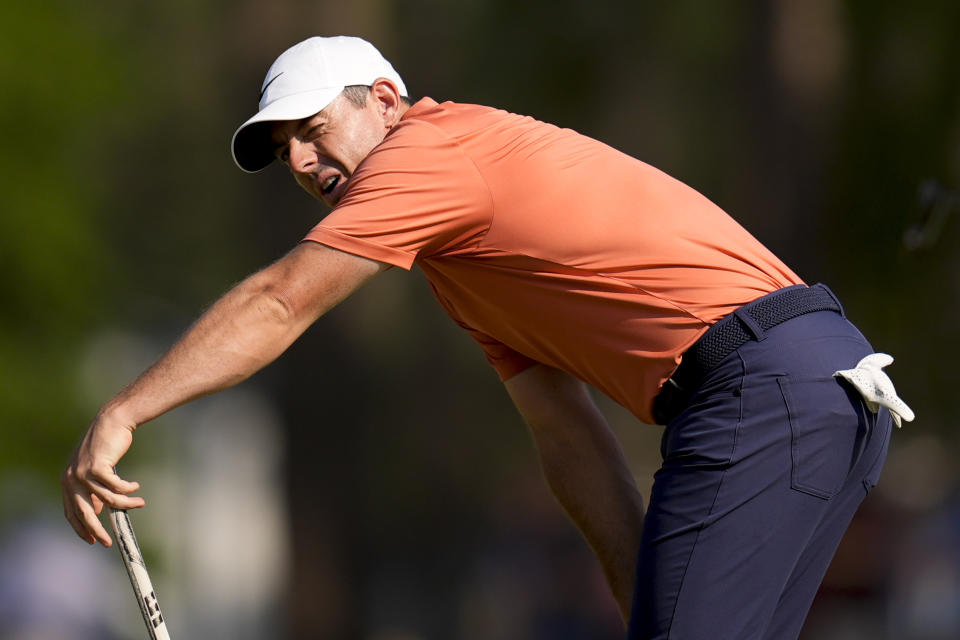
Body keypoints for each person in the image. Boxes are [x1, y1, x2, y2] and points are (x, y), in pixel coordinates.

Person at [62, 36, 913, 639]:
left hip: (766, 393)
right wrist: (646, 604)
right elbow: (567, 435)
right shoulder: (464, 265)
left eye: (314, 132)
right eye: (288, 151)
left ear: (385, 101)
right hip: (823, 390)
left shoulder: (426, 157)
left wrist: (127, 409)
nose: (304, 165)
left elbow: (282, 302)